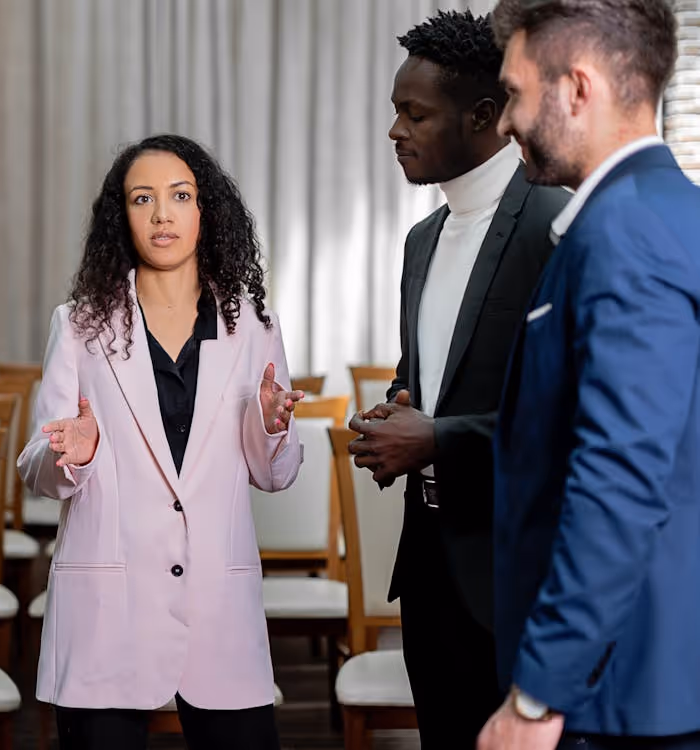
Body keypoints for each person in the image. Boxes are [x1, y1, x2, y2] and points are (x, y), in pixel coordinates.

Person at [18, 133, 302, 750]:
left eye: (179, 196)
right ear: (122, 217)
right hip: (106, 607)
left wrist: (272, 426)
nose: (162, 214)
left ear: (207, 210)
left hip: (218, 607)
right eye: (141, 198)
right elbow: (37, 468)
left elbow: (274, 475)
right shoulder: (78, 324)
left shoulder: (254, 326)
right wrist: (76, 452)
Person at [478, 1, 700, 749]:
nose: (503, 122)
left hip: (616, 694)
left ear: (577, 89)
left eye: (512, 93)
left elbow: (619, 477)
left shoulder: (625, 231)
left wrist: (538, 695)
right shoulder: (673, 212)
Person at [346, 10, 569, 748]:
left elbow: (573, 414)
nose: (395, 131)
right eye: (394, 112)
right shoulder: (421, 240)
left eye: (414, 113)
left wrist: (438, 438)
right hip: (432, 565)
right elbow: (424, 380)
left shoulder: (554, 224)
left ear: (482, 116)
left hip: (519, 570)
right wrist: (393, 420)